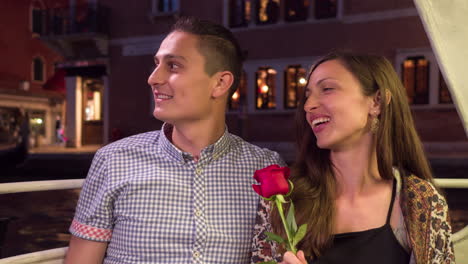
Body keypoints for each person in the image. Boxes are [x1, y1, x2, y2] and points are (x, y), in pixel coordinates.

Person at [65, 17, 284, 264]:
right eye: (156, 64)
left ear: (220, 83)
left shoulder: (265, 167)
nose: (153, 78)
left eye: (173, 66)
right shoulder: (113, 160)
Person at [251, 51, 455, 264]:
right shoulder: (282, 201)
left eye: (327, 89)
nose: (308, 105)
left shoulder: (420, 201)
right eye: (308, 94)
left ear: (376, 102)